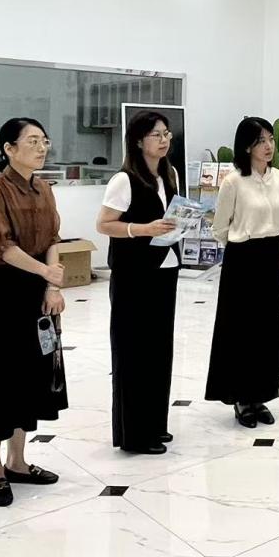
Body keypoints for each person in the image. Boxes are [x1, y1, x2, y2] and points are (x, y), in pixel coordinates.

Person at [0, 118, 68, 507]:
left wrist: (52, 285)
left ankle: (18, 461)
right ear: (9, 149)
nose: (41, 148)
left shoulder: (44, 188)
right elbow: (1, 247)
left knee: (29, 376)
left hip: (37, 291)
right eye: (32, 141)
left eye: (44, 141)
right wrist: (45, 272)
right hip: (3, 291)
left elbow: (52, 237)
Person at [97, 111, 180, 455]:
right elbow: (104, 224)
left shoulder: (169, 174)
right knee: (133, 351)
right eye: (156, 134)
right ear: (138, 140)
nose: (164, 140)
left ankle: (155, 423)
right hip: (133, 274)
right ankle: (134, 433)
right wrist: (142, 229)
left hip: (166, 267)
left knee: (159, 349)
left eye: (167, 134)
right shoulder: (124, 180)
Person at [204, 117, 279, 428]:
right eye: (260, 141)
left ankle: (260, 395)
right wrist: (242, 245)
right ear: (247, 147)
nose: (268, 146)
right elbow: (219, 228)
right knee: (240, 328)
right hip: (243, 257)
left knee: (267, 328)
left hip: (272, 255)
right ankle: (241, 396)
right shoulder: (233, 182)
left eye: (270, 139)